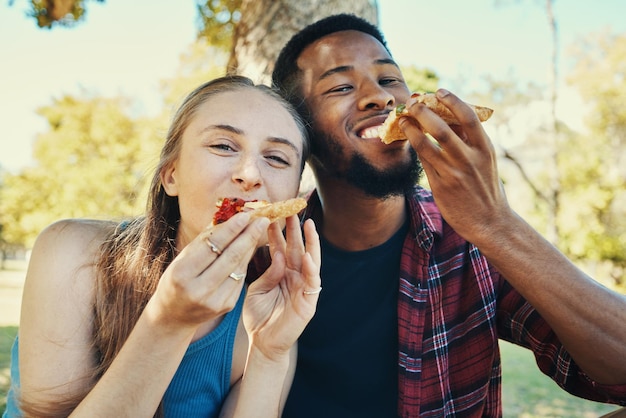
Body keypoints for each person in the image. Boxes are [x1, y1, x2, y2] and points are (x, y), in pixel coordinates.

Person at [270, 13, 626, 417]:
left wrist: (497, 224)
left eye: (389, 80)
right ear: (299, 127)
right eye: (341, 86)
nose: (381, 98)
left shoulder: (472, 237)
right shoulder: (266, 250)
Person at [3, 75, 322, 417]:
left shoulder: (264, 324)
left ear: (293, 195)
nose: (250, 174)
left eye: (276, 158)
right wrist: (168, 322)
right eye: (224, 146)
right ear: (171, 175)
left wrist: (269, 355)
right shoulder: (71, 253)